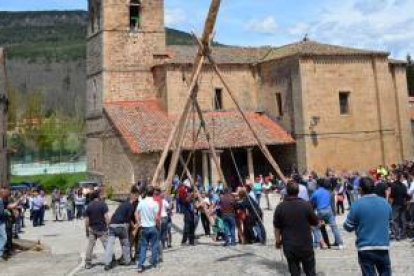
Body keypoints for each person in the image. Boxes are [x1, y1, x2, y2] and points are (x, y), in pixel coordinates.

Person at [344, 177, 392, 276]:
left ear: (361, 189)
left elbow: (348, 227)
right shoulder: (385, 203)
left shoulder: (356, 205)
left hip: (365, 247)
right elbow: (389, 222)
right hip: (383, 247)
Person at [274, 181, 319, 276]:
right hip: (305, 244)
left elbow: (277, 227)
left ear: (286, 191)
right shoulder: (306, 205)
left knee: (294, 272)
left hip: (289, 245)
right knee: (310, 271)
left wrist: (277, 241)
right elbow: (315, 222)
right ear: (298, 191)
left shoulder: (280, 207)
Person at [104, 186, 139, 271]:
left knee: (109, 245)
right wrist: (134, 226)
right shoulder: (130, 206)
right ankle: (127, 261)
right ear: (133, 199)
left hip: (112, 225)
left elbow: (114, 215)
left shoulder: (122, 205)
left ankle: (107, 264)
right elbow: (129, 219)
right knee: (126, 244)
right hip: (121, 226)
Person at [310, 179, 344, 249]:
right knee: (334, 227)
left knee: (315, 227)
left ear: (318, 185)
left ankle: (318, 244)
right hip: (329, 211)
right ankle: (340, 244)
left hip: (320, 211)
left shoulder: (316, 192)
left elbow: (311, 202)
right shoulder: (327, 192)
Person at [136, 186, 160, 273]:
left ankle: (140, 265)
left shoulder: (141, 202)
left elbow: (137, 213)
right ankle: (154, 263)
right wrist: (158, 226)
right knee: (154, 246)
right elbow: (157, 218)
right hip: (152, 226)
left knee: (143, 247)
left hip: (143, 227)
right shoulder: (155, 203)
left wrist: (139, 222)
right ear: (153, 193)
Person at [84, 191, 109, 269]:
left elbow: (87, 220)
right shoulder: (103, 204)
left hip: (92, 229)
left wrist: (86, 230)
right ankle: (110, 261)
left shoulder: (89, 206)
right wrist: (109, 226)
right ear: (98, 197)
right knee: (107, 245)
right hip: (102, 229)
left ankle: (88, 263)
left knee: (90, 246)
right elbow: (107, 217)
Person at [389, 172, 409, 240]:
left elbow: (392, 196)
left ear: (395, 176)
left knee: (395, 220)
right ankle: (403, 234)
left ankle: (397, 235)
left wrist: (390, 204)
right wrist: (405, 203)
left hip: (395, 204)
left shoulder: (393, 185)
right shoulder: (403, 185)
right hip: (402, 204)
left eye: (392, 175)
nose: (391, 176)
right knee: (403, 219)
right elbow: (406, 196)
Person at [0, 188, 7, 261]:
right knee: (4, 238)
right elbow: (0, 213)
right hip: (1, 222)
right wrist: (5, 212)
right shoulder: (0, 201)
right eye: (4, 192)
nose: (6, 193)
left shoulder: (2, 201)